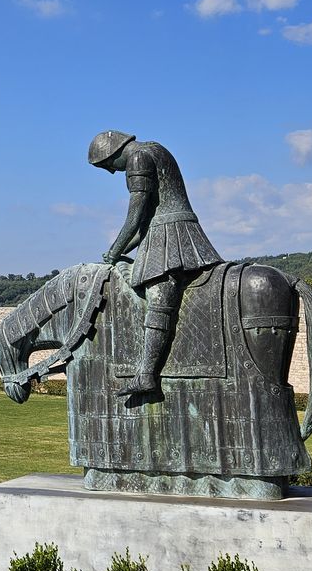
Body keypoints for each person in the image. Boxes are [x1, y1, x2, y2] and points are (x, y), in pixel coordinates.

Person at [89, 130, 222, 397]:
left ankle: (146, 373)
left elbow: (136, 215)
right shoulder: (154, 148)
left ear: (113, 153)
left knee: (158, 294)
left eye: (107, 166)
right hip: (163, 229)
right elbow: (144, 223)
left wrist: (115, 250)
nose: (111, 172)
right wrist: (116, 252)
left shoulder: (138, 158)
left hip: (171, 233)